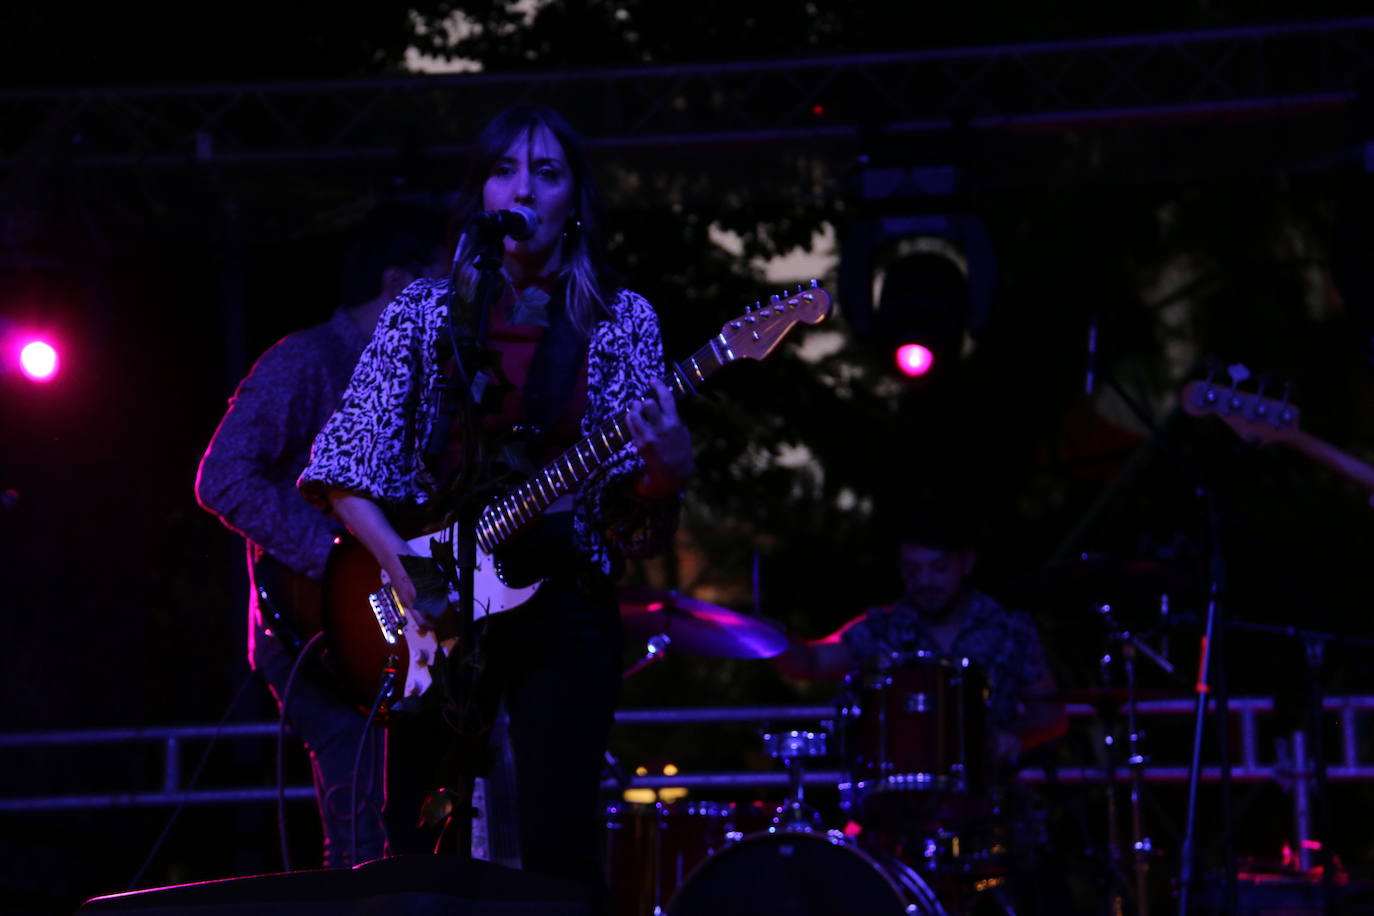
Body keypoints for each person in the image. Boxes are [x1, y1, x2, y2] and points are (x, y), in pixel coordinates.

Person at [297, 104, 694, 907]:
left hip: (564, 598)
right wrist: (405, 571)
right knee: (414, 842)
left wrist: (665, 473)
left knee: (560, 842)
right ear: (480, 191)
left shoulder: (623, 321)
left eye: (546, 173)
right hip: (431, 600)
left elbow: (634, 524)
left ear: (574, 197)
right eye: (506, 169)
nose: (524, 188)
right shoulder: (422, 311)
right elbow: (342, 467)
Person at [195, 202, 446, 868]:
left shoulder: (424, 381)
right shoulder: (305, 360)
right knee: (361, 821)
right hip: (309, 628)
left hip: (391, 620)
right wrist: (338, 564)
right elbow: (221, 477)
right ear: (400, 283)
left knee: (422, 819)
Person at [774, 512, 1066, 762]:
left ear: (966, 563)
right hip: (898, 802)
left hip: (993, 797)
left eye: (938, 569)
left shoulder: (1009, 629)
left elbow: (1050, 715)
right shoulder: (882, 628)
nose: (924, 582)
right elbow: (810, 663)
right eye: (912, 570)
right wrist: (764, 635)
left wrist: (1014, 737)